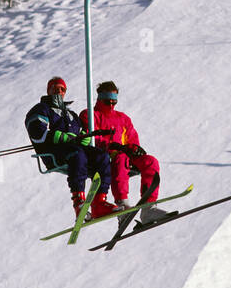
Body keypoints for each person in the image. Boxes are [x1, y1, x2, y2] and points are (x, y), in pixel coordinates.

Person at [81, 79, 172, 225]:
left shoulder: (122, 118)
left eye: (114, 101)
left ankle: (148, 207)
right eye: (107, 101)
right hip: (106, 157)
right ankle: (123, 204)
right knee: (120, 158)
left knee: (151, 161)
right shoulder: (91, 115)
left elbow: (132, 138)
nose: (111, 104)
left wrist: (134, 148)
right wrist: (117, 147)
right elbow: (93, 137)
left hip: (125, 155)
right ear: (99, 98)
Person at [25, 76, 115, 219]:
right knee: (77, 154)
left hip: (74, 150)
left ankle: (99, 202)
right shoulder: (42, 109)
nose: (59, 91)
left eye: (62, 89)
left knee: (102, 156)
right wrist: (61, 137)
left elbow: (79, 132)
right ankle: (79, 202)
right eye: (55, 88)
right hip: (53, 152)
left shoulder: (70, 114)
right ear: (49, 90)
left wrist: (83, 137)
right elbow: (37, 131)